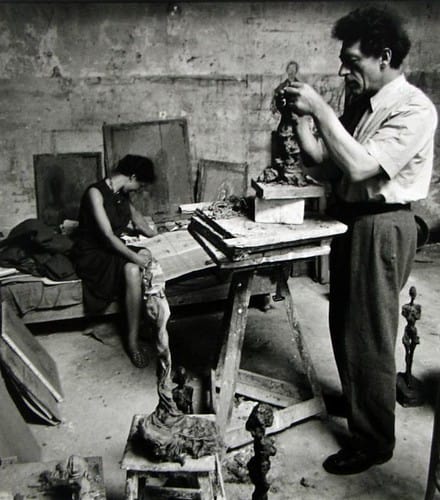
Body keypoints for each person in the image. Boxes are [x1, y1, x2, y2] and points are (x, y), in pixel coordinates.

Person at [282, 6, 438, 474]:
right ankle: (360, 400)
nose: (342, 70)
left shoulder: (413, 108)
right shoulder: (362, 106)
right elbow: (328, 166)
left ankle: (373, 441)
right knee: (345, 328)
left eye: (351, 61)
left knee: (368, 336)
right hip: (352, 220)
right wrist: (303, 123)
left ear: (383, 56)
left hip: (383, 224)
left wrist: (321, 109)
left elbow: (362, 168)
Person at [72, 154, 158, 368]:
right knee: (133, 267)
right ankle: (132, 342)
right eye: (140, 184)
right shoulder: (95, 193)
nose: (139, 189)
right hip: (93, 253)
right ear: (133, 177)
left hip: (111, 247)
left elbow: (135, 216)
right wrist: (136, 258)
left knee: (141, 260)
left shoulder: (120, 193)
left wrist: (154, 234)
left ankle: (138, 326)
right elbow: (108, 237)